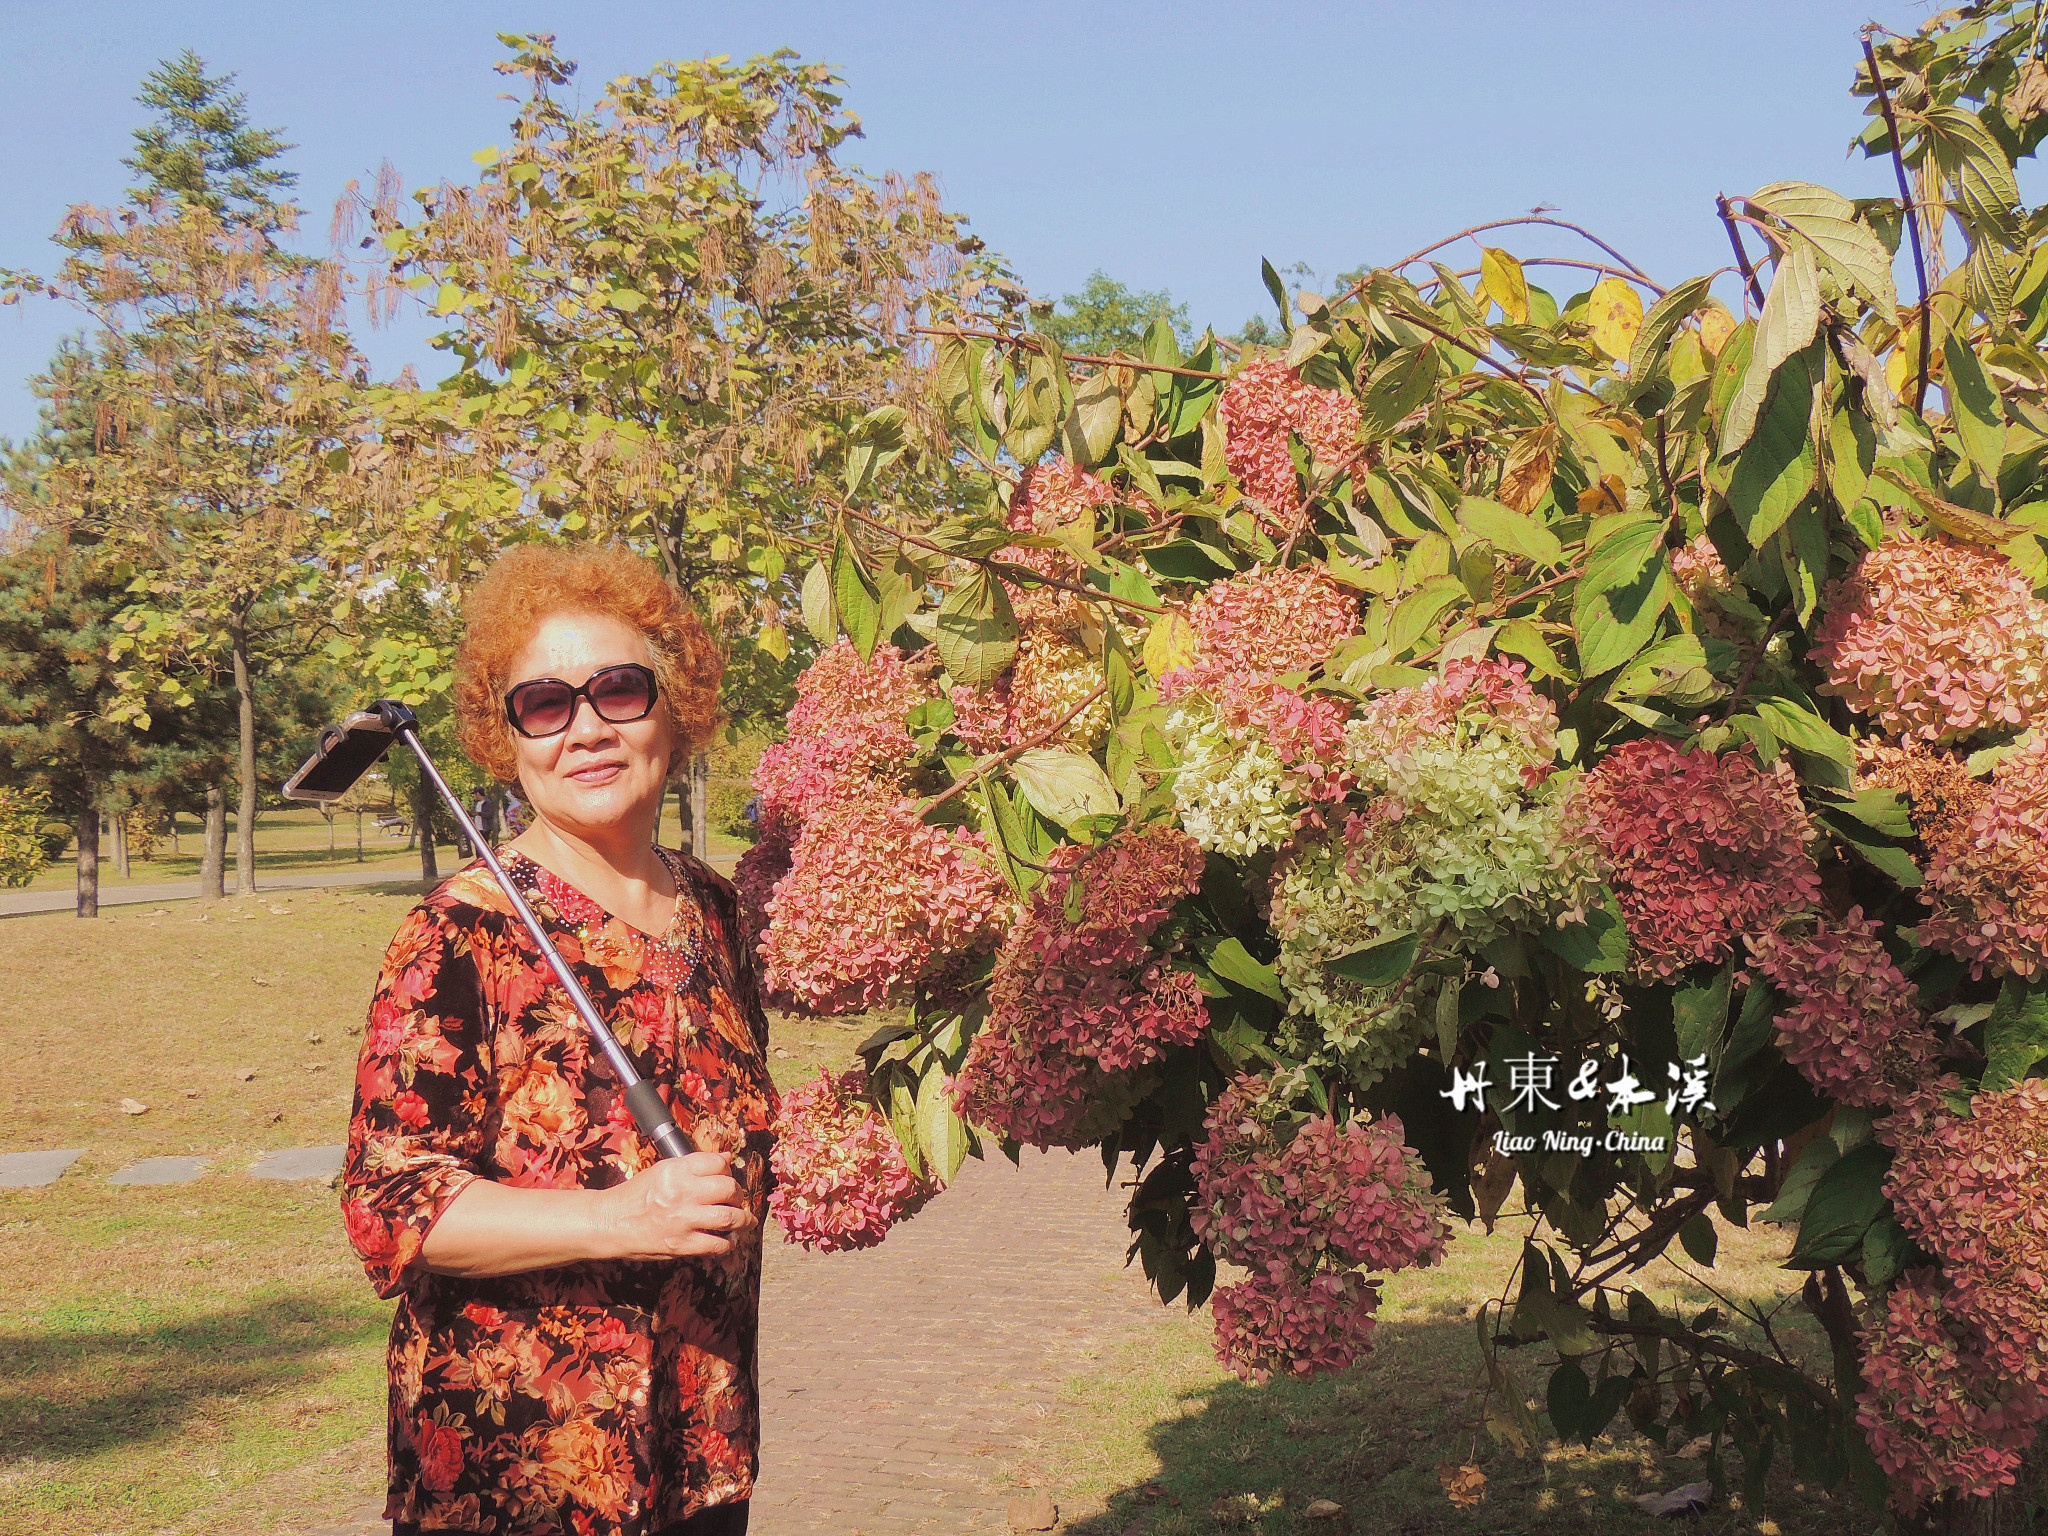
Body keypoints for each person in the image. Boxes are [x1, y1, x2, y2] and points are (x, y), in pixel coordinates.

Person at [341, 544, 775, 1536]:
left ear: (675, 706)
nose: (583, 728)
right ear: (510, 737)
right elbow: (390, 1206)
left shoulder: (715, 911)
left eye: (618, 689)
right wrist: (621, 1219)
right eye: (544, 704)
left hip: (700, 1453)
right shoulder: (458, 933)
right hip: (520, 1476)